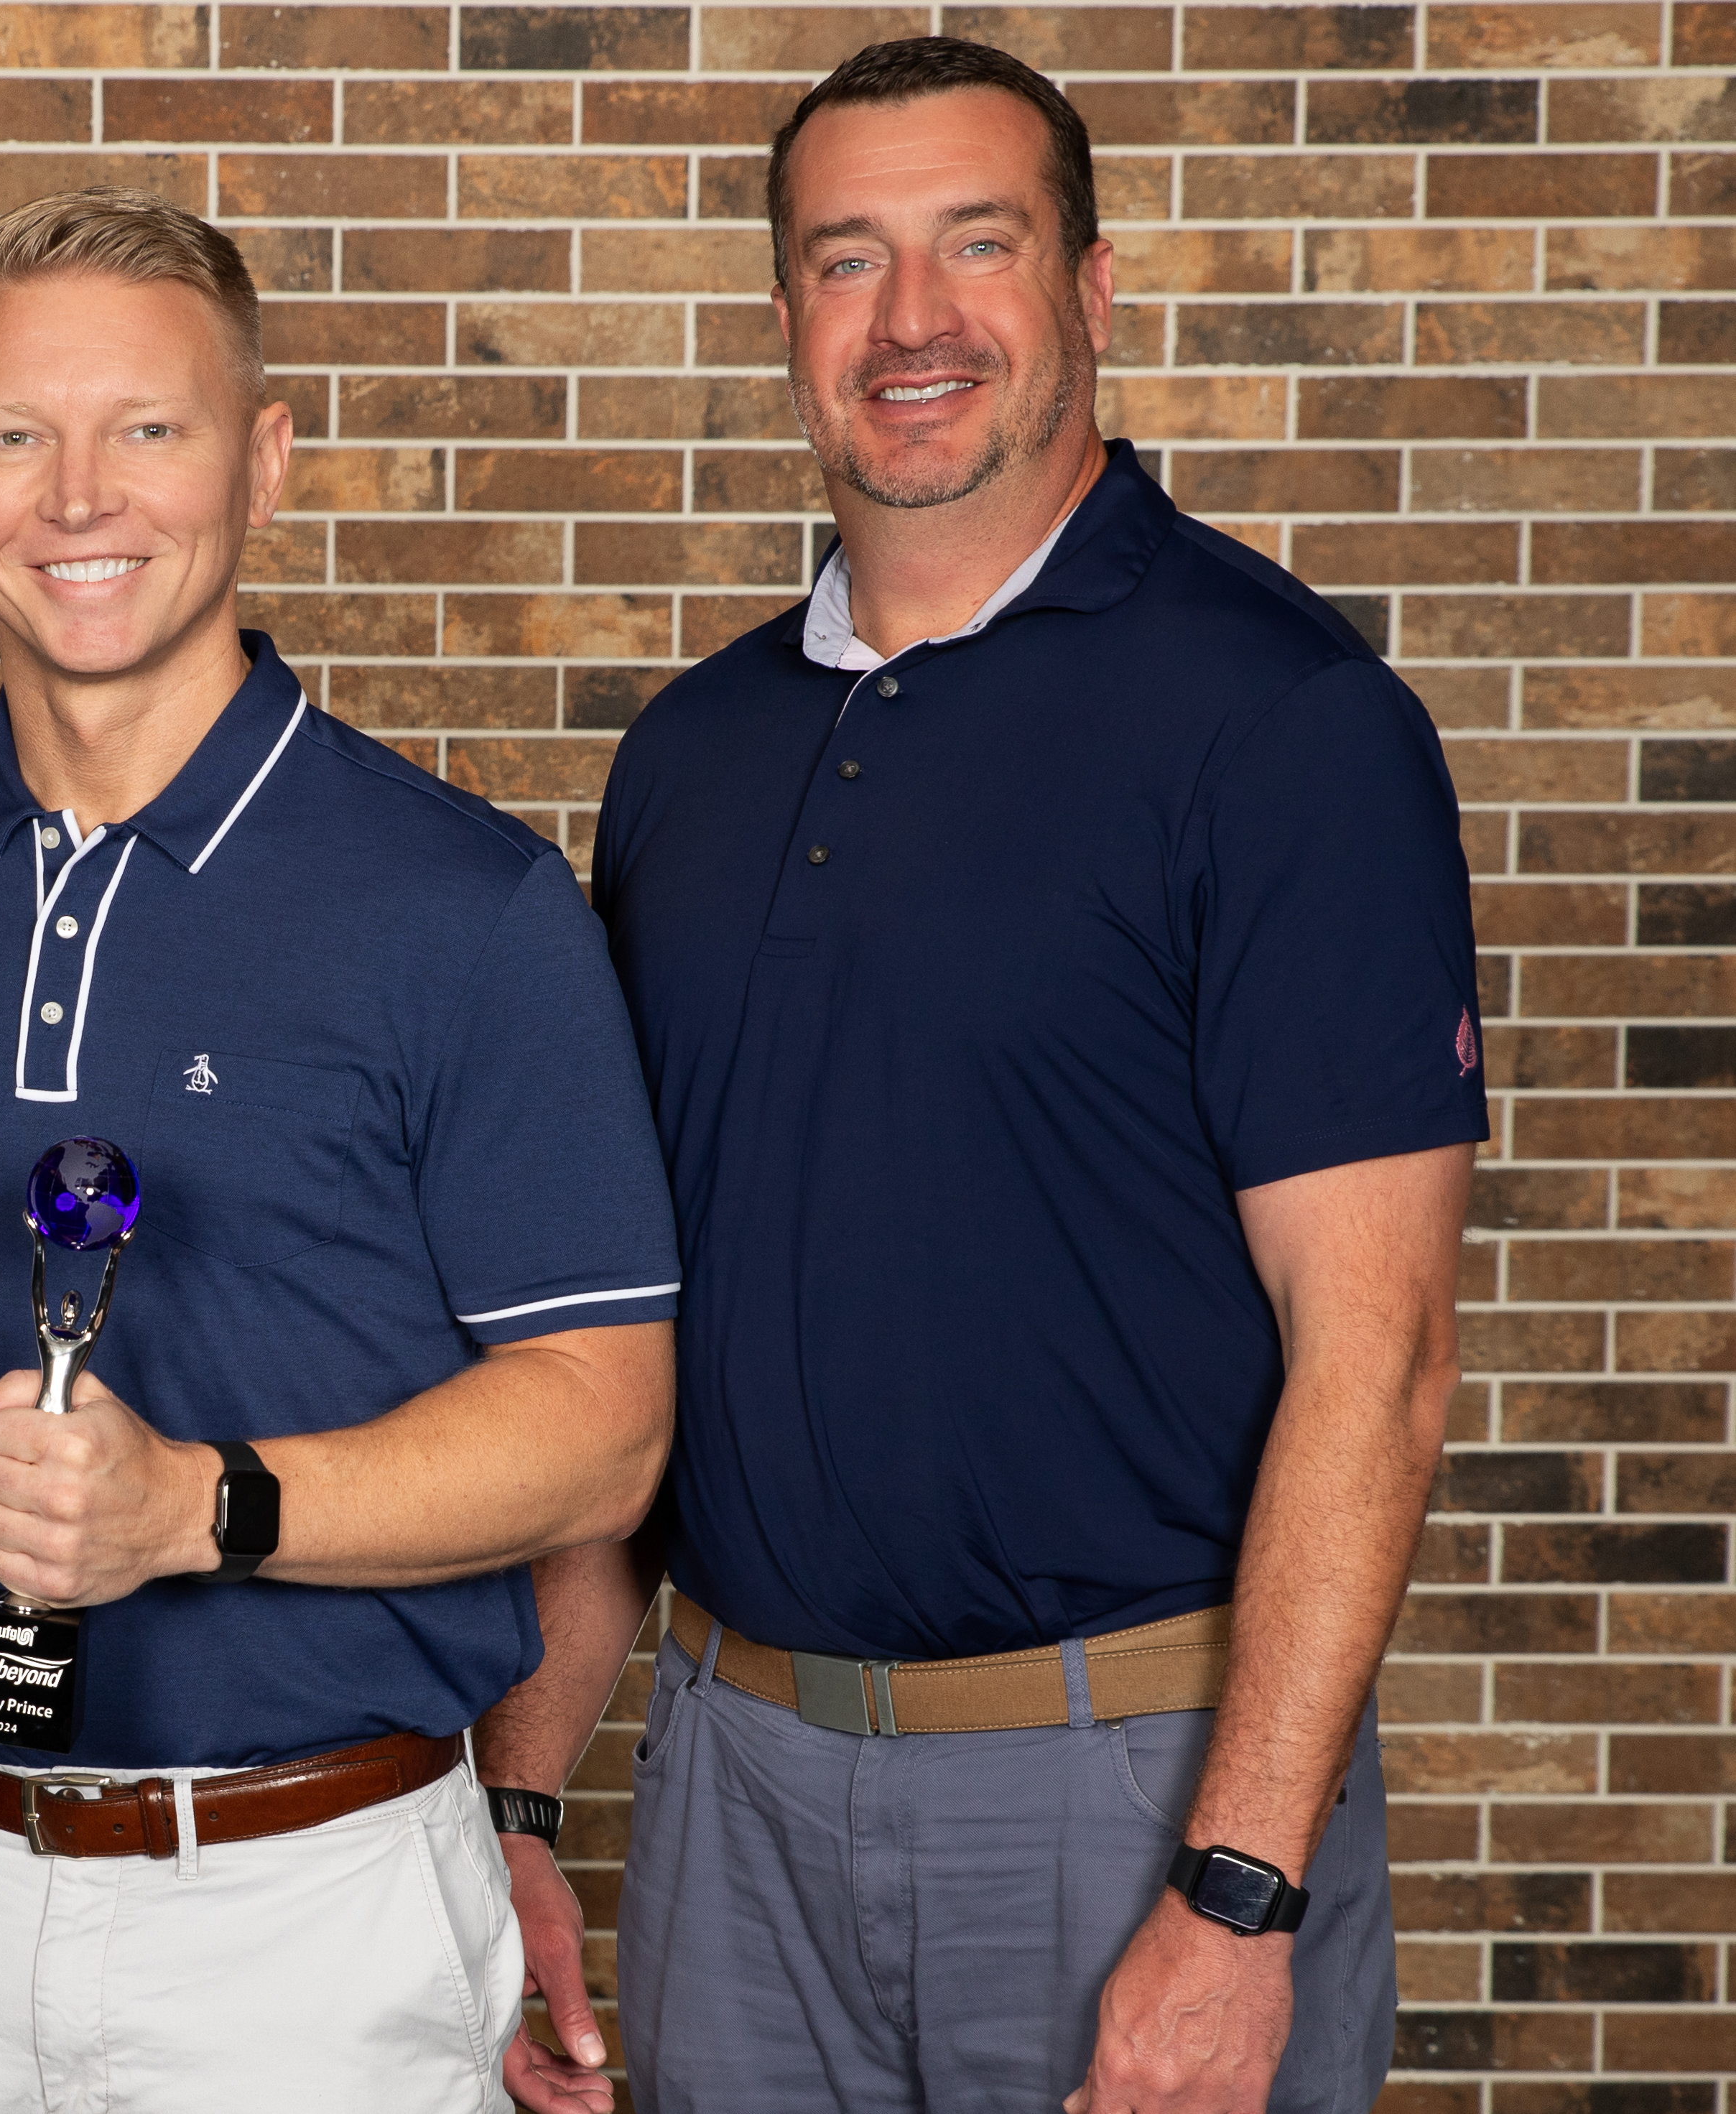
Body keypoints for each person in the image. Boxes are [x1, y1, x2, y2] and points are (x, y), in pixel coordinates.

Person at [479, 39, 1482, 2114]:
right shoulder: (687, 758)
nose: (911, 319)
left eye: (975, 246)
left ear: (1092, 287)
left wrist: (1234, 1890)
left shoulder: (1278, 723)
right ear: (782, 322)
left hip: (1121, 1791)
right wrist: (513, 1805)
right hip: (729, 1789)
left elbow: (1368, 1355)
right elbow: (620, 1343)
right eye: (846, 261)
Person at [0, 188, 679, 2114]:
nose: (78, 495)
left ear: (262, 461)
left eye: (144, 429)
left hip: (303, 1917)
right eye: (14, 435)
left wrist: (199, 1512)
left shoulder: (464, 910)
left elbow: (604, 1420)